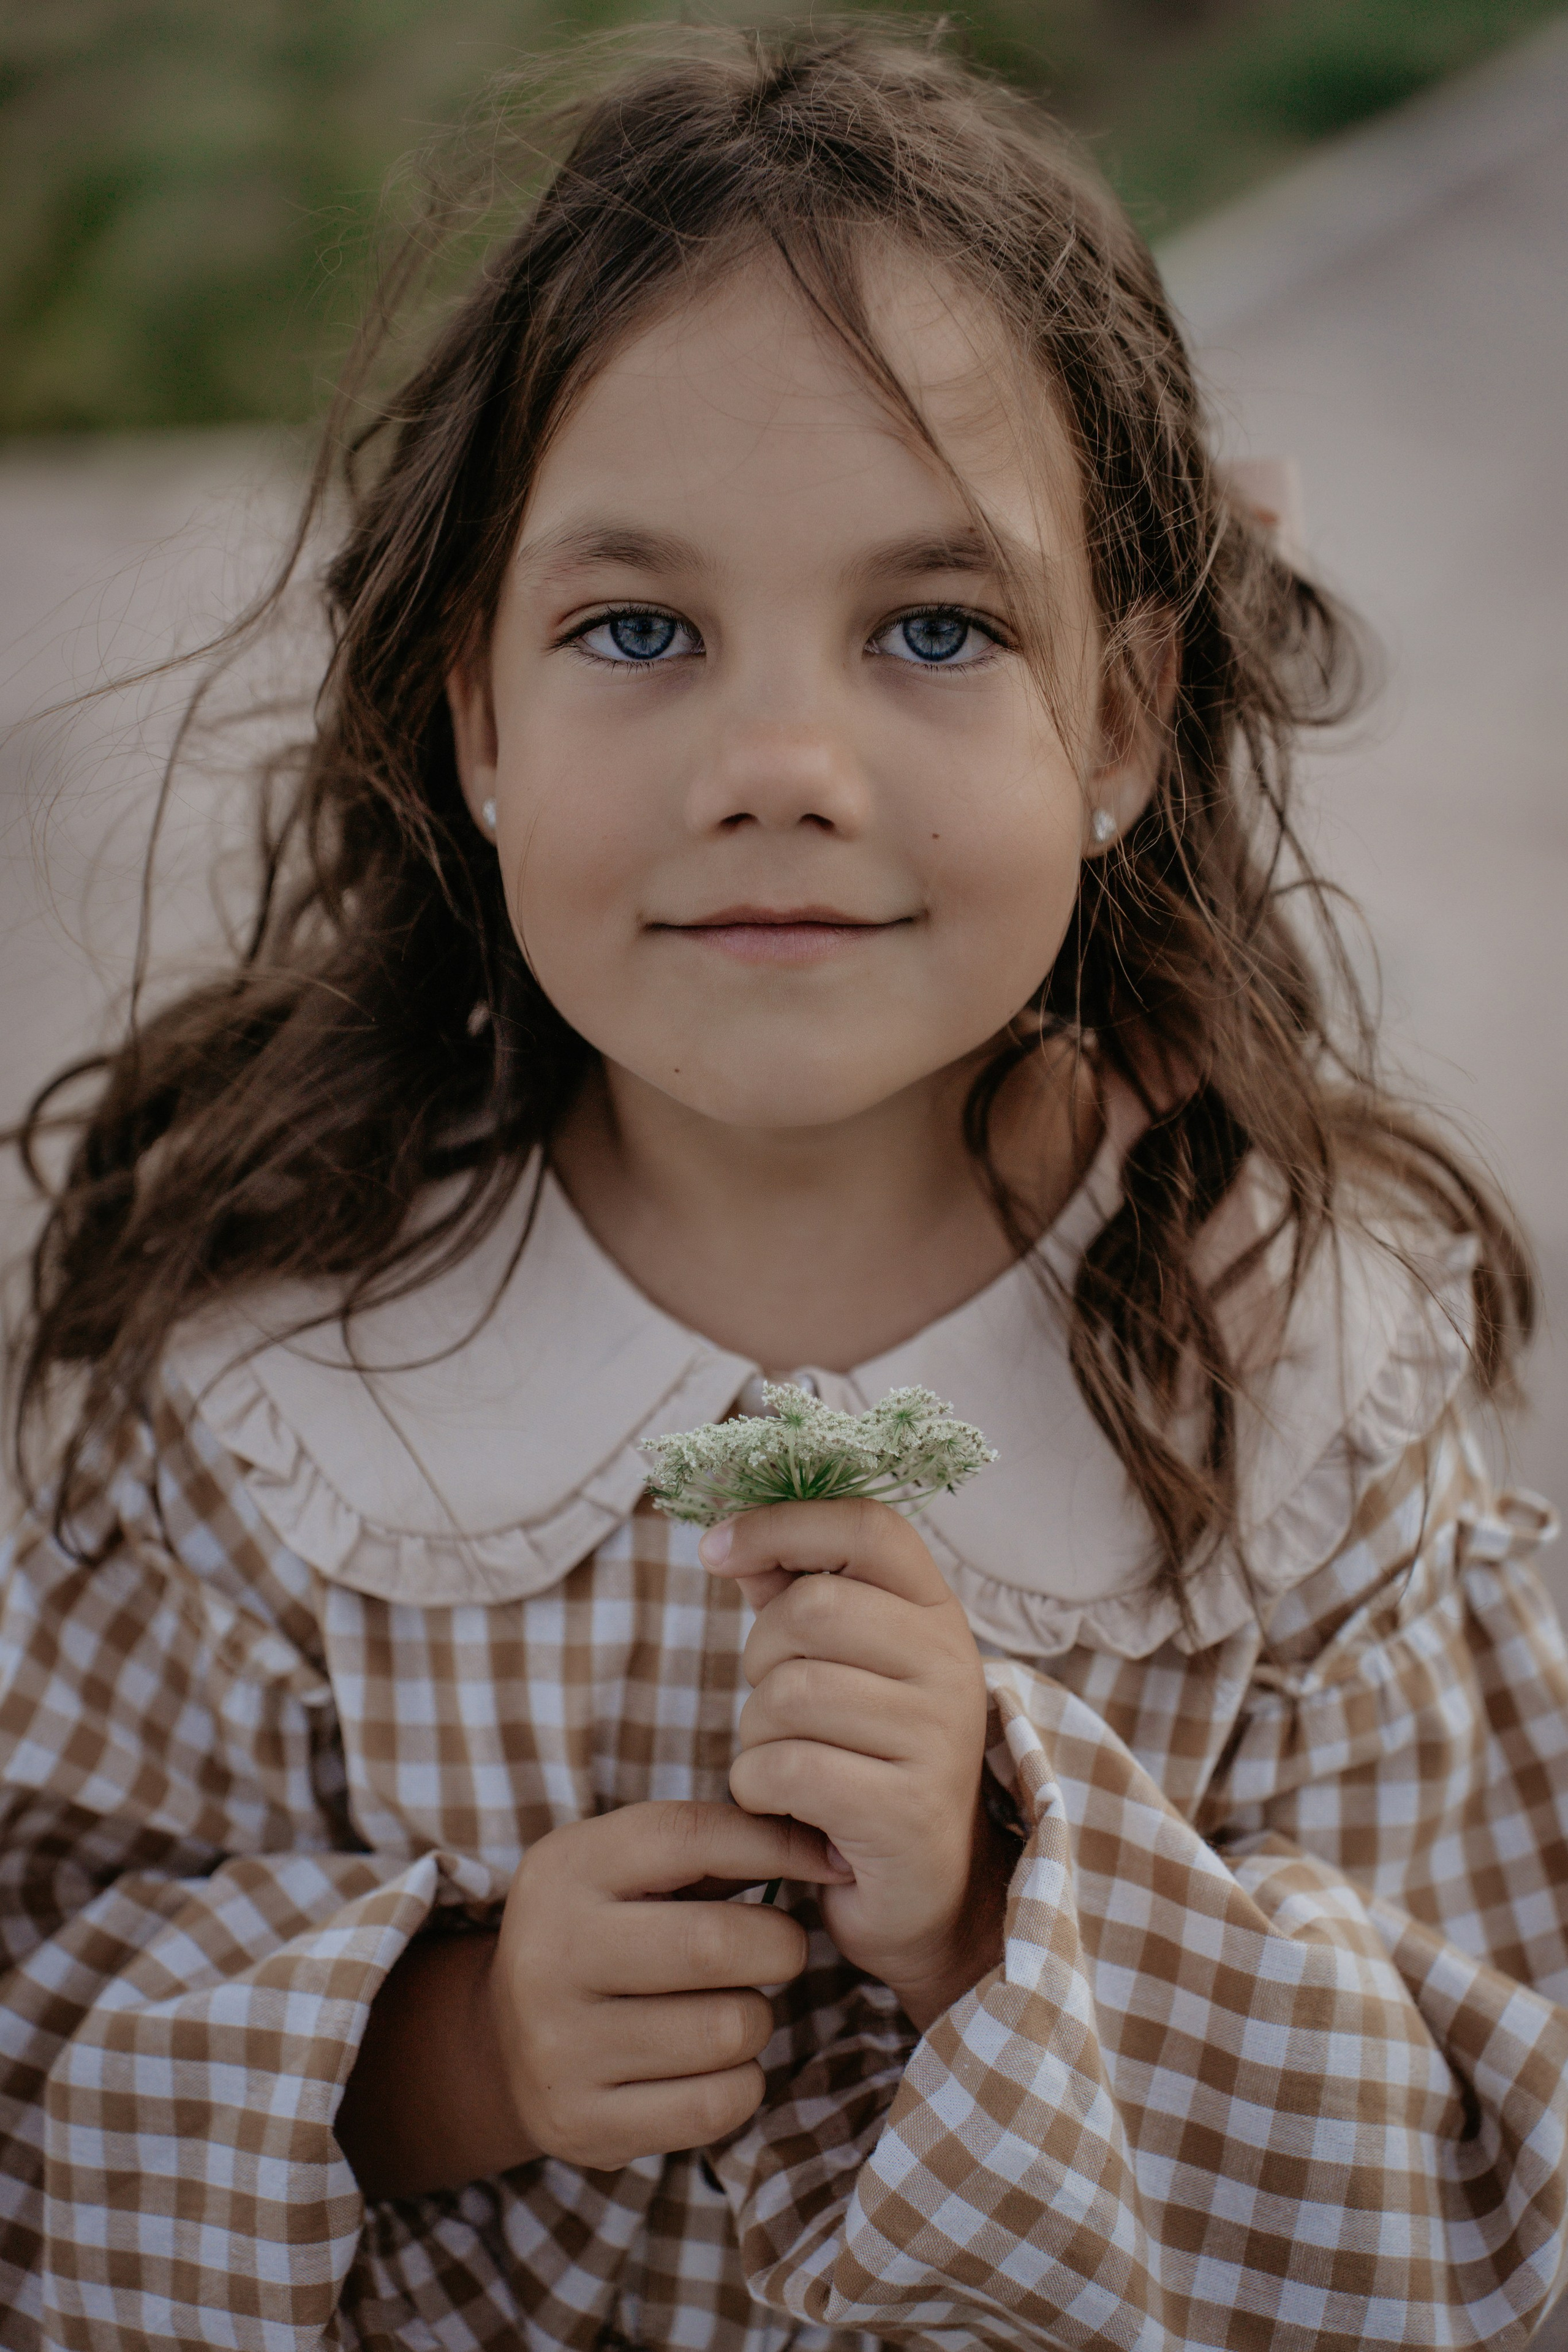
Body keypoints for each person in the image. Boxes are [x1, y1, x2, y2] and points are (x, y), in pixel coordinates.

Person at [2, 25, 1564, 2350]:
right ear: (478, 717)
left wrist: (1011, 1921)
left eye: (936, 630)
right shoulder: (285, 1367)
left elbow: (1487, 2179)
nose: (781, 767)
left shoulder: (1300, 1371)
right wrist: (448, 2052)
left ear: (1121, 722)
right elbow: (39, 2037)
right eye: (638, 631)